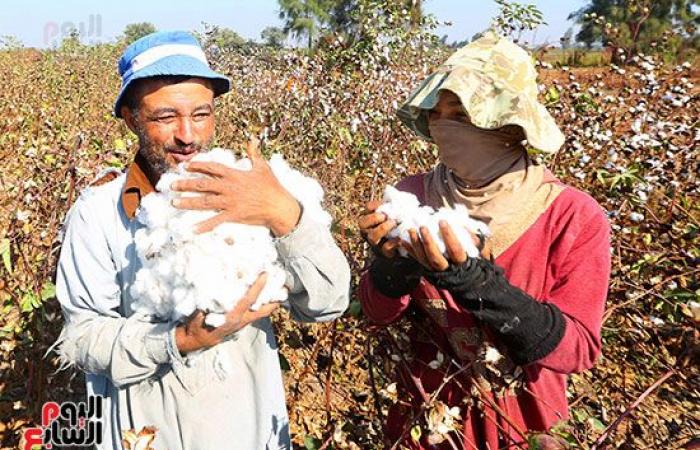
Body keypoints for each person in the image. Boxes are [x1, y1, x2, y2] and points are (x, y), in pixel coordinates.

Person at [54, 30, 350, 450]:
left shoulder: (256, 189)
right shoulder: (99, 213)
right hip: (147, 435)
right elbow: (83, 340)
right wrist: (179, 342)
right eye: (165, 117)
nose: (188, 135)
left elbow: (328, 302)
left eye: (201, 114)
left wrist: (281, 214)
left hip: (249, 431)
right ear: (131, 118)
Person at [358, 32, 611, 449]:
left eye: (461, 112)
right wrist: (391, 269)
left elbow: (578, 350)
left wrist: (479, 286)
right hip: (426, 421)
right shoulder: (411, 197)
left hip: (522, 428)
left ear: (511, 127)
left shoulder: (572, 216)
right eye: (436, 113)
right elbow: (377, 315)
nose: (442, 125)